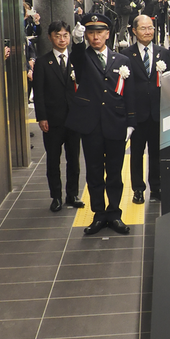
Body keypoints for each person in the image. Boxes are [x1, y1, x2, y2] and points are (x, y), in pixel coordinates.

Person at [66, 13, 136, 235]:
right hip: (91, 126)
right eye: (90, 33)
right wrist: (77, 42)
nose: (95, 37)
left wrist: (131, 122)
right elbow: (76, 56)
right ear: (85, 35)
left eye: (99, 32)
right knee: (95, 172)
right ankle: (98, 214)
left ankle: (115, 213)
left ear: (107, 34)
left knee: (115, 173)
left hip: (115, 124)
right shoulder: (82, 57)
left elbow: (130, 94)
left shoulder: (122, 61)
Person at [32, 21, 85, 212]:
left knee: (74, 159)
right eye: (57, 36)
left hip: (74, 120)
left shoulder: (76, 60)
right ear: (50, 37)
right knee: (53, 160)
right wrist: (41, 118)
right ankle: (56, 196)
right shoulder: (43, 62)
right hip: (53, 120)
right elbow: (38, 93)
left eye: (65, 35)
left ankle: (72, 194)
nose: (62, 39)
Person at [121, 15, 168, 204]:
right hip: (136, 114)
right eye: (143, 28)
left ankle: (156, 187)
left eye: (151, 28)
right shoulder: (126, 55)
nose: (148, 31)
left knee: (157, 153)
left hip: (158, 113)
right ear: (134, 31)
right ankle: (138, 189)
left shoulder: (163, 53)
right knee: (137, 153)